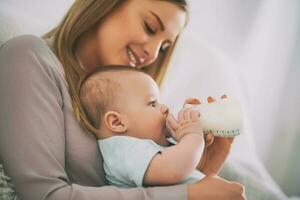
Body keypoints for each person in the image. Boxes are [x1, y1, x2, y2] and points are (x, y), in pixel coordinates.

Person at [0, 0, 246, 199]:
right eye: (150, 27)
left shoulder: (134, 104)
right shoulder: (29, 57)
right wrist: (187, 194)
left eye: (164, 47)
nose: (152, 54)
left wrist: (204, 167)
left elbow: (147, 180)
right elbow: (45, 195)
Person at [79, 65, 206, 188]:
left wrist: (184, 137)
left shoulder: (140, 146)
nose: (165, 107)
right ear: (117, 122)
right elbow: (174, 170)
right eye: (152, 104)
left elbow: (186, 168)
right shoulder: (122, 149)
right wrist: (193, 136)